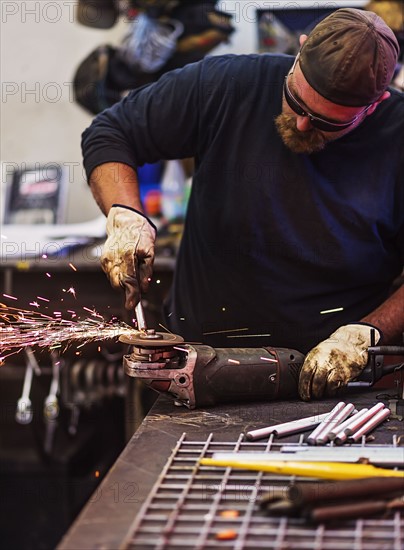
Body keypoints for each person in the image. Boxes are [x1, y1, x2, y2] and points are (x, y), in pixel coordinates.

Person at [81, 8, 404, 401]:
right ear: (300, 49)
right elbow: (111, 131)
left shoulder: (398, 136)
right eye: (295, 101)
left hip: (337, 385)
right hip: (197, 372)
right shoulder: (228, 84)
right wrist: (125, 214)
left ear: (376, 103)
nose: (301, 125)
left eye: (326, 123)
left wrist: (367, 334)